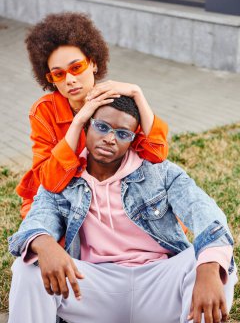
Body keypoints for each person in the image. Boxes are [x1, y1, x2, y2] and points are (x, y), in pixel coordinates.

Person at [2, 96, 237, 323]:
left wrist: (209, 267)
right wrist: (44, 242)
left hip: (158, 289)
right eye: (102, 127)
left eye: (122, 134)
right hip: (92, 291)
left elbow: (206, 214)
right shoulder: (63, 178)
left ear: (132, 141)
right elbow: (37, 219)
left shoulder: (160, 173)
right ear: (86, 127)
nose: (110, 138)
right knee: (29, 267)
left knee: (215, 261)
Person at [17, 12, 169, 219]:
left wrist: (137, 93)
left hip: (109, 195)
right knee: (46, 236)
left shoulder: (116, 101)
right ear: (50, 78)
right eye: (59, 74)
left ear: (93, 63)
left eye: (76, 67)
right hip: (61, 197)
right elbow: (50, 181)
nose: (70, 79)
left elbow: (157, 154)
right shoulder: (44, 112)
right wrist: (79, 121)